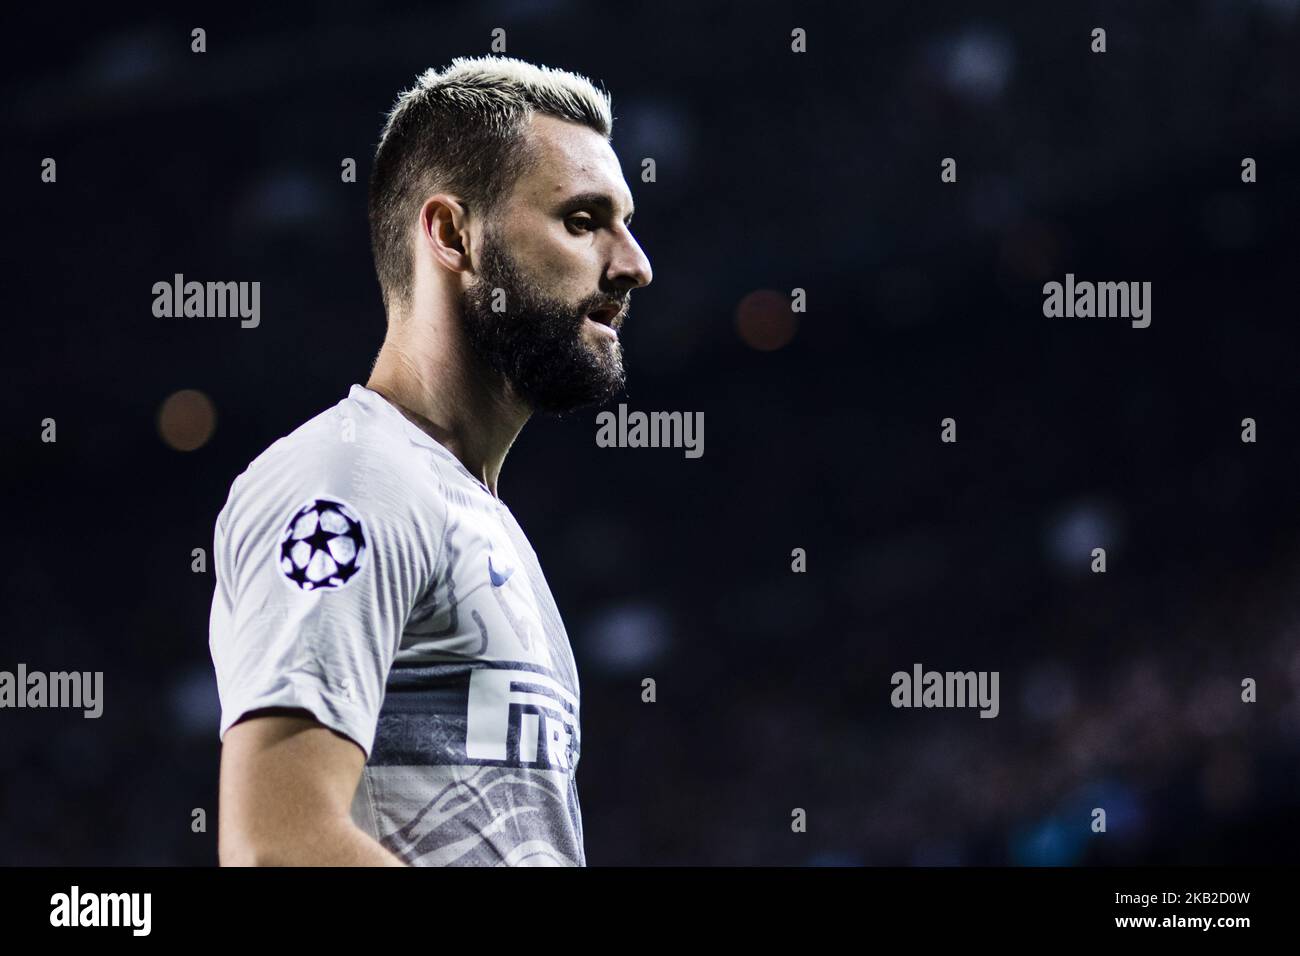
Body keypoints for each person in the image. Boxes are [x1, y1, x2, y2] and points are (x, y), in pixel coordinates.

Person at [208, 55, 653, 866]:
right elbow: (276, 845)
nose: (633, 264)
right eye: (584, 221)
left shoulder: (469, 513)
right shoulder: (350, 479)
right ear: (453, 235)